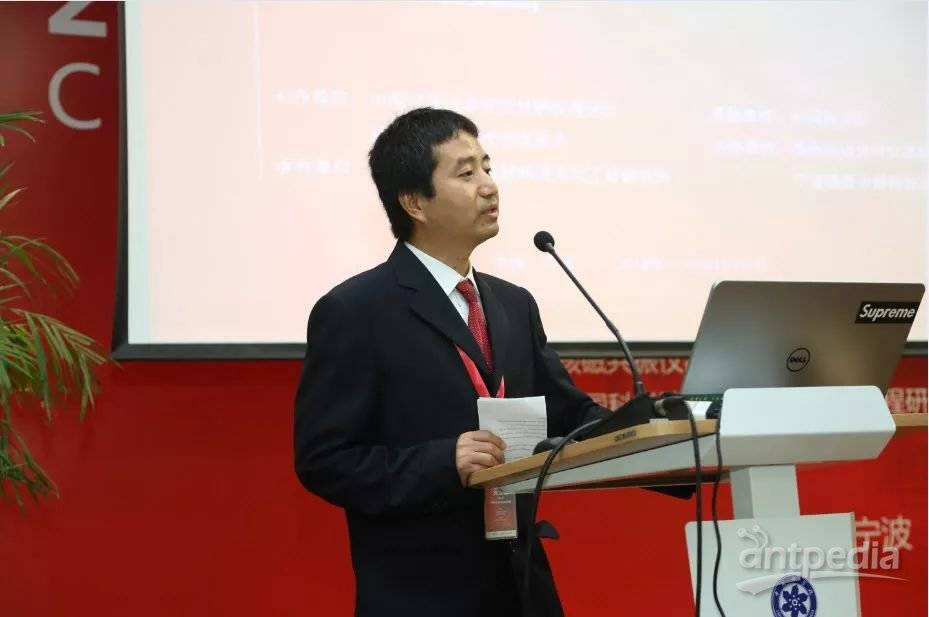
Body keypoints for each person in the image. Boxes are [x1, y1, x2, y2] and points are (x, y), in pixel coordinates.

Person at [294, 107, 611, 617]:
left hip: (521, 588)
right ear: (415, 202)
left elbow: (568, 415)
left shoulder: (513, 304)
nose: (489, 186)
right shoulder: (356, 311)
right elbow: (325, 461)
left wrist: (669, 425)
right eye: (466, 173)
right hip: (422, 593)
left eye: (488, 167)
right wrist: (444, 462)